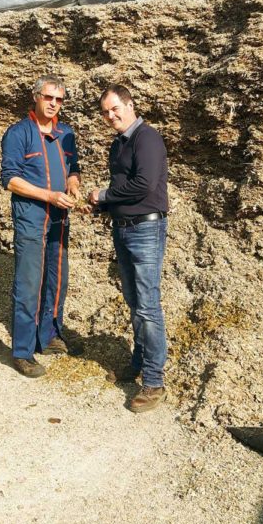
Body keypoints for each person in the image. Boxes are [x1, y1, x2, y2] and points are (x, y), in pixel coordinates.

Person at [88, 84, 169, 413]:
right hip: (123, 229)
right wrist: (96, 206)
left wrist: (103, 196)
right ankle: (138, 362)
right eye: (106, 112)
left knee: (147, 304)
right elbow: (123, 190)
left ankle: (153, 382)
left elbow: (144, 185)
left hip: (146, 229)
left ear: (130, 104)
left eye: (115, 109)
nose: (111, 116)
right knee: (134, 301)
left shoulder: (146, 138)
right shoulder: (118, 144)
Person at [1, 75, 81, 378]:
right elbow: (10, 179)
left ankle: (48, 336)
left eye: (59, 100)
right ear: (36, 97)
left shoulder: (66, 133)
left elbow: (74, 168)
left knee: (57, 277)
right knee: (29, 282)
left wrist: (73, 185)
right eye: (49, 97)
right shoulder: (18, 133)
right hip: (32, 216)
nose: (53, 104)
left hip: (60, 216)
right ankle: (22, 351)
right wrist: (49, 195)